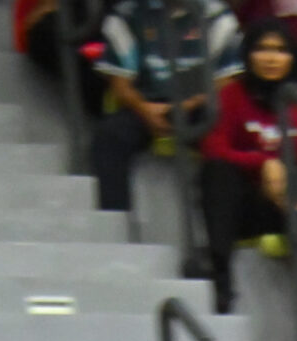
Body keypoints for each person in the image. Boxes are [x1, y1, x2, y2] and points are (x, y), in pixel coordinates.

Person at [198, 20, 297, 315]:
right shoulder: (230, 96)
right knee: (216, 173)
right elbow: (213, 149)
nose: (271, 58)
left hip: (289, 203)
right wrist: (265, 163)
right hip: (243, 205)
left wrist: (295, 193)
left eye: (281, 50)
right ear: (247, 55)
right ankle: (221, 281)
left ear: (294, 57)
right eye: (262, 49)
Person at [92, 0, 241, 215]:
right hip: (146, 104)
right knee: (109, 136)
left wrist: (185, 106)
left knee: (227, 138)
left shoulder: (217, 15)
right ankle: (115, 222)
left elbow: (227, 80)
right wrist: (145, 109)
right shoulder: (127, 13)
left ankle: (224, 230)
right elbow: (119, 83)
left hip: (199, 105)